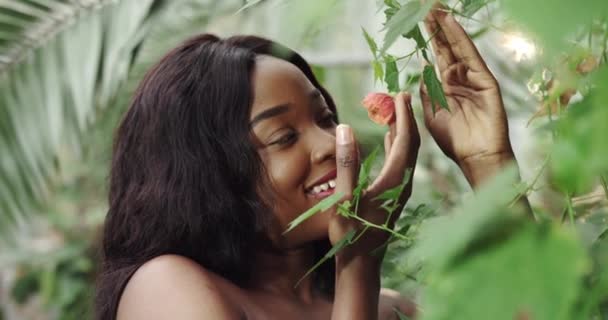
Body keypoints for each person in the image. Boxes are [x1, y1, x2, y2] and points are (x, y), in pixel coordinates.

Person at [95, 6, 523, 320]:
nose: (332, 143)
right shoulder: (167, 288)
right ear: (208, 174)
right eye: (283, 137)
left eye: (325, 118)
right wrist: (356, 264)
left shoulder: (390, 309)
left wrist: (488, 162)